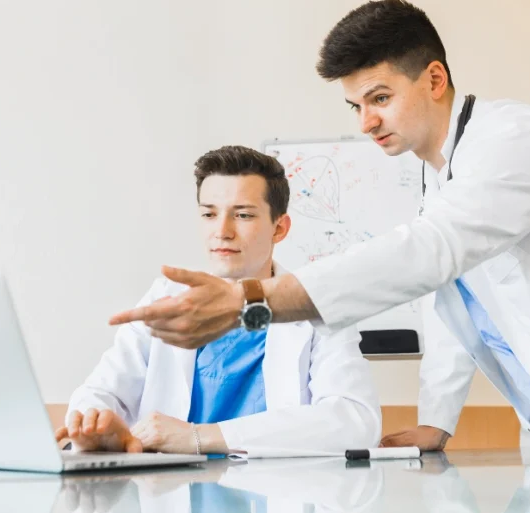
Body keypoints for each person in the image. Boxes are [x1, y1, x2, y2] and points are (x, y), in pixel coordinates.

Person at [110, 0, 530, 451]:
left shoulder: (511, 140)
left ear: (433, 79)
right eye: (355, 106)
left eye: (381, 98)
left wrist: (248, 301)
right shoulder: (437, 171)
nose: (367, 122)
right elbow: (452, 292)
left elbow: (431, 252)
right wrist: (437, 420)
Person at [58, 146, 381, 456]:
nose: (222, 231)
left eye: (242, 215)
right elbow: (103, 391)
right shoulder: (165, 298)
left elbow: (354, 422)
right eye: (209, 214)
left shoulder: (315, 307)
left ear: (279, 228)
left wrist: (199, 437)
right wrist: (93, 425)